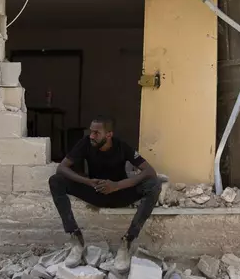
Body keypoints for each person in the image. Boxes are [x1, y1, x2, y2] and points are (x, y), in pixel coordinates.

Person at [48, 116, 162, 273]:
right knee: (56, 181)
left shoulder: (122, 146)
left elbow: (150, 171)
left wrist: (117, 185)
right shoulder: (86, 143)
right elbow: (62, 168)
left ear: (109, 135)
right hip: (95, 192)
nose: (92, 136)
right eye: (91, 132)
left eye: (96, 133)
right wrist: (88, 182)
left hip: (120, 194)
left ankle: (127, 241)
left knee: (154, 185)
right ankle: (76, 238)